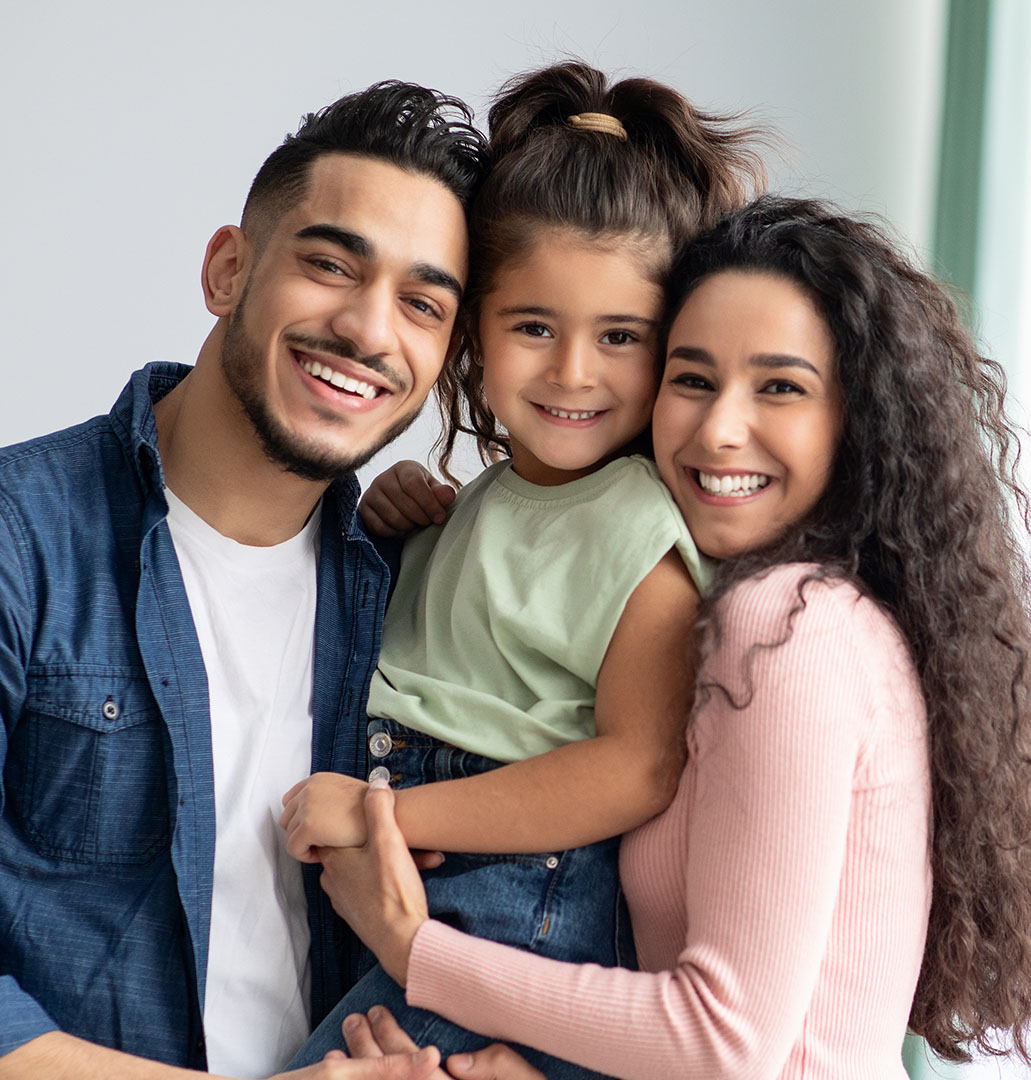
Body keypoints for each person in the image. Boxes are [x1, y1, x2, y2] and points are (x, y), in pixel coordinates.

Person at [313, 197, 1031, 1079]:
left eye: (781, 387)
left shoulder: (789, 627)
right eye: (692, 378)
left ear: (857, 419)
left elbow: (724, 1042)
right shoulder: (769, 610)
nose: (719, 429)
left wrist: (417, 950)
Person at [280, 63, 764, 1077]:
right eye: (534, 327)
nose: (573, 372)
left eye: (621, 338)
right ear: (471, 339)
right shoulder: (494, 499)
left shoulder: (638, 525)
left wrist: (391, 817)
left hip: (510, 905)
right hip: (440, 872)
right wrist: (398, 528)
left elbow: (638, 764)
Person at [0, 82, 487, 1080]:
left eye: (422, 304)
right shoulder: (20, 537)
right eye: (329, 265)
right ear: (229, 269)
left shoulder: (417, 586)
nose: (367, 329)